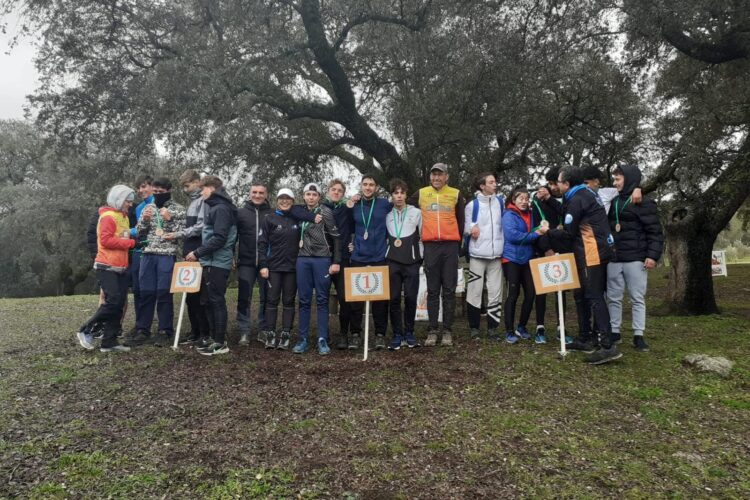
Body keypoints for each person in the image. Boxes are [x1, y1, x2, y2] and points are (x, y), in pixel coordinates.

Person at [548, 167, 621, 364]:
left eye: (559, 182)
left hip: (592, 252)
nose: (558, 185)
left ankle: (607, 345)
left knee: (594, 296)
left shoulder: (578, 198)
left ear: (567, 184)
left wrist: (549, 232)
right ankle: (585, 337)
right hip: (595, 249)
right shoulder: (586, 193)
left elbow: (569, 233)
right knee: (583, 294)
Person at [607, 165, 664, 352]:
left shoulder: (645, 203)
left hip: (636, 258)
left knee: (637, 298)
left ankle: (638, 334)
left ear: (629, 179)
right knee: (613, 297)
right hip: (615, 258)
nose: (614, 183)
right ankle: (614, 331)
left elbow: (655, 232)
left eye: (618, 179)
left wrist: (652, 256)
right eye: (614, 180)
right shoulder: (613, 201)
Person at [408, 163, 465, 346]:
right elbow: (404, 206)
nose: (436, 178)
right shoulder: (421, 193)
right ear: (430, 177)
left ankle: (447, 330)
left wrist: (458, 246)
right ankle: (432, 330)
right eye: (433, 175)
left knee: (449, 289)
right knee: (432, 289)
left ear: (446, 176)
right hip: (430, 246)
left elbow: (461, 220)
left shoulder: (456, 194)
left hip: (450, 246)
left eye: (440, 175)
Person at [77, 185, 136, 353]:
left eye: (131, 202)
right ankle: (86, 329)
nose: (130, 205)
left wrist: (133, 234)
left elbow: (121, 236)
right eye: (128, 201)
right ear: (119, 200)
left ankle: (109, 341)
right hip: (107, 266)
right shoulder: (109, 217)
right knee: (113, 301)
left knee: (118, 303)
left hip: (121, 266)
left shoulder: (123, 216)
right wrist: (130, 243)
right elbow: (106, 241)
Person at [186, 176, 237, 356]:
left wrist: (197, 252)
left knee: (216, 301)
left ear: (212, 188)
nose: (201, 192)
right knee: (208, 301)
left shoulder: (222, 208)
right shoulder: (215, 207)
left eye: (203, 189)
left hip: (218, 261)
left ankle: (220, 343)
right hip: (210, 260)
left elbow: (220, 238)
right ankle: (213, 339)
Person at [293, 183, 342, 355]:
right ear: (304, 196)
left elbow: (336, 237)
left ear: (319, 197)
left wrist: (336, 260)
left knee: (322, 299)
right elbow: (291, 210)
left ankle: (322, 338)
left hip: (322, 258)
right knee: (304, 300)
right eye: (308, 194)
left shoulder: (325, 212)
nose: (311, 197)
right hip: (303, 259)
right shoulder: (299, 212)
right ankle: (303, 339)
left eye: (314, 194)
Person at [347, 174, 393, 350]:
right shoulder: (354, 204)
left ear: (376, 187)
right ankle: (355, 333)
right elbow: (345, 226)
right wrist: (349, 245)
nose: (368, 187)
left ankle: (380, 334)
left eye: (371, 185)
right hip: (358, 256)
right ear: (361, 186)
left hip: (380, 257)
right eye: (365, 184)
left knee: (380, 299)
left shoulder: (384, 204)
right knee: (356, 299)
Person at [258, 189, 303, 351]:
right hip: (273, 267)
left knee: (289, 301)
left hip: (292, 268)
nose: (285, 201)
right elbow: (262, 243)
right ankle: (270, 333)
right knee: (272, 300)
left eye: (288, 199)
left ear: (293, 200)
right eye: (281, 199)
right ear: (277, 200)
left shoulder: (297, 218)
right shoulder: (269, 218)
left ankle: (285, 333)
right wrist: (263, 265)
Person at [502, 186, 547, 344]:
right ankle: (509, 331)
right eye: (520, 198)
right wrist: (536, 234)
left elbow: (533, 229)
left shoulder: (530, 213)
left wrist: (540, 229)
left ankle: (521, 326)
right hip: (511, 259)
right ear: (513, 200)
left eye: (526, 199)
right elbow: (513, 235)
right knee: (513, 294)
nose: (524, 201)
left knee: (531, 293)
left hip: (527, 259)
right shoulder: (509, 214)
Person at [169, 169, 209, 345]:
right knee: (190, 293)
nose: (185, 190)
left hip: (199, 249)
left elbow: (201, 226)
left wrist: (179, 233)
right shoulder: (192, 202)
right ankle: (195, 331)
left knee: (200, 293)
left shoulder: (204, 201)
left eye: (187, 186)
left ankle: (204, 332)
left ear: (197, 182)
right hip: (188, 249)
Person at [464, 172, 504, 341]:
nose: (495, 184)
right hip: (477, 255)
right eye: (491, 182)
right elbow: (465, 228)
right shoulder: (472, 205)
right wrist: (471, 230)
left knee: (496, 292)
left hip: (496, 256)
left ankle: (492, 329)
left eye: (495, 181)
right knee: (474, 291)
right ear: (482, 186)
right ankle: (474, 329)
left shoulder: (501, 203)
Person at [385, 178, 423, 350]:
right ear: (392, 196)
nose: (399, 196)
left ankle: (409, 332)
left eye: (402, 193)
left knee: (410, 297)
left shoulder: (416, 213)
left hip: (412, 262)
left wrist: (420, 257)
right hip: (392, 261)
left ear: (406, 195)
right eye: (396, 193)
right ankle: (397, 334)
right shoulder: (387, 214)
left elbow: (423, 237)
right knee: (393, 299)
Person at [530, 167, 566, 344]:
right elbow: (537, 227)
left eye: (556, 184)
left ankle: (561, 327)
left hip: (563, 251)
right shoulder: (538, 200)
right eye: (551, 184)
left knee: (562, 290)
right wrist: (546, 249)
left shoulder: (564, 198)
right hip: (544, 250)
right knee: (542, 290)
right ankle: (540, 327)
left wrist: (552, 199)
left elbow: (565, 215)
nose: (553, 187)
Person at [236, 182, 272, 346]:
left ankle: (263, 329)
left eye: (261, 193)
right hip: (246, 262)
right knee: (244, 296)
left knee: (266, 297)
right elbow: (232, 237)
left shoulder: (271, 213)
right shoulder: (241, 213)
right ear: (250, 194)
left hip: (266, 263)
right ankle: (244, 330)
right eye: (254, 192)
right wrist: (231, 255)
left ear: (266, 195)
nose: (257, 195)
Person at [322, 179, 354, 350]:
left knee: (344, 298)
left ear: (343, 193)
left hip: (343, 259)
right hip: (323, 259)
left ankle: (343, 334)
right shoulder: (321, 209)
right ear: (328, 191)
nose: (336, 192)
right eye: (333, 189)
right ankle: (323, 334)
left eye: (339, 190)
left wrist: (354, 243)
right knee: (322, 298)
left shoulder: (347, 209)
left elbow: (358, 227)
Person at [125, 174, 153, 338]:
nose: (141, 190)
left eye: (144, 186)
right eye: (139, 187)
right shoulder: (138, 207)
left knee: (147, 289)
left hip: (151, 251)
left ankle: (145, 328)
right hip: (137, 251)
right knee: (137, 289)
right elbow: (139, 228)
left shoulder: (157, 203)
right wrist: (130, 232)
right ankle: (139, 323)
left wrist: (127, 232)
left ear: (151, 186)